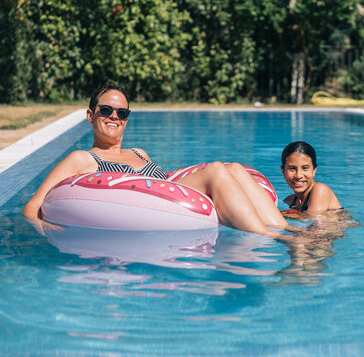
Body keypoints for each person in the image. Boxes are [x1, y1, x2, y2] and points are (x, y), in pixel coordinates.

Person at [23, 83, 301, 240]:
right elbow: (32, 207)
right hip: (146, 204)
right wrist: (51, 230)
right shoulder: (82, 158)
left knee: (235, 169)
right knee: (216, 170)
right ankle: (278, 239)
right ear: (90, 115)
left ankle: (289, 229)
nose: (114, 117)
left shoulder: (139, 152)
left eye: (122, 112)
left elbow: (162, 185)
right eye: (106, 110)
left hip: (170, 193)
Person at [281, 141, 342, 217]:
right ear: (283, 171)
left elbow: (311, 218)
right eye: (292, 168)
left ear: (314, 170)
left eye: (305, 168)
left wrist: (273, 214)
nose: (298, 175)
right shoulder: (290, 201)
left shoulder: (320, 189)